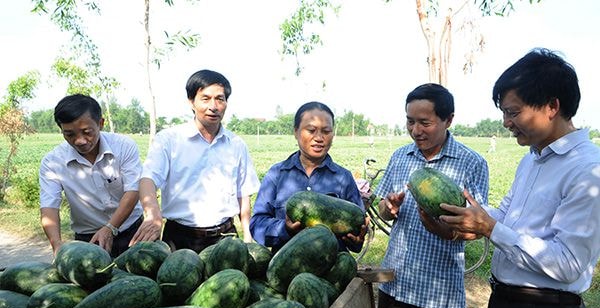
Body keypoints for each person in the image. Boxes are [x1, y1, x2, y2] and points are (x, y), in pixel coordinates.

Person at [440, 48, 600, 308]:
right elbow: (508, 214)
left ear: (551, 106)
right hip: (509, 307)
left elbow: (570, 262)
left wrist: (490, 228)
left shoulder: (588, 170)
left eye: (513, 112)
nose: (506, 123)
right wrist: (471, 215)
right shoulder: (533, 159)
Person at [375, 83, 489, 308]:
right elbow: (383, 210)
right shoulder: (400, 157)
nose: (415, 130)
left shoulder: (472, 163)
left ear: (448, 120)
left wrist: (445, 231)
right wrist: (388, 208)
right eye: (410, 121)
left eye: (424, 122)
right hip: (393, 291)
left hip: (439, 297)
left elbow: (476, 230)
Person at [130, 69, 260, 252]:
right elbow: (148, 179)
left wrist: (247, 233)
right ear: (191, 102)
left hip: (225, 237)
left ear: (226, 103)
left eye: (220, 99)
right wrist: (152, 214)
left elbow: (243, 193)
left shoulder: (237, 145)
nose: (213, 106)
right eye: (205, 99)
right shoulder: (169, 140)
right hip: (179, 238)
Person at [250, 101, 366, 253]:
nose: (319, 138)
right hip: (287, 270)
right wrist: (284, 229)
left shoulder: (343, 178)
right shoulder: (276, 175)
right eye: (311, 130)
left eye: (326, 131)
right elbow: (257, 225)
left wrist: (357, 240)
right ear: (296, 131)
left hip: (331, 270)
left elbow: (356, 233)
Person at [39, 94, 143, 257]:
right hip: (88, 240)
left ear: (100, 123)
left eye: (87, 132)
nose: (79, 140)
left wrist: (110, 227)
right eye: (70, 134)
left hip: (132, 233)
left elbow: (134, 190)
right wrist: (57, 244)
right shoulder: (53, 162)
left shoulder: (123, 146)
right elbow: (49, 206)